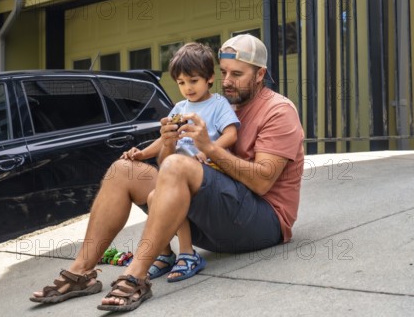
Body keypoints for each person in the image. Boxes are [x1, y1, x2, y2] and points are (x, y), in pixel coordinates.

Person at [30, 34, 304, 312]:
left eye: (237, 74)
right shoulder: (218, 103)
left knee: (177, 166)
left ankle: (135, 276)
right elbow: (168, 166)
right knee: (122, 170)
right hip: (215, 219)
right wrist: (169, 143)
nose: (228, 81)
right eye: (224, 72)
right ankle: (81, 273)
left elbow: (261, 182)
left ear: (260, 75)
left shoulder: (278, 111)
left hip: (263, 223)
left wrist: (208, 148)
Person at [120, 42, 239, 282]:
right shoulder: (179, 108)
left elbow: (231, 134)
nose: (187, 88)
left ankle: (188, 253)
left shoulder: (218, 104)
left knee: (168, 194)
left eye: (193, 81)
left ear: (209, 78)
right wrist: (141, 154)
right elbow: (166, 140)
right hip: (177, 173)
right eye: (181, 83)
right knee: (154, 197)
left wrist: (209, 150)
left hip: (207, 172)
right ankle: (164, 254)